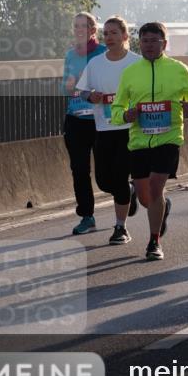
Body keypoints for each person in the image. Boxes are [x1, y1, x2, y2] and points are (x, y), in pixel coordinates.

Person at [110, 22, 188, 260]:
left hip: (169, 138)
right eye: (144, 41)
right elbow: (117, 107)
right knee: (145, 197)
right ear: (138, 43)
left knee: (155, 188)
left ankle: (154, 242)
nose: (149, 45)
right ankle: (162, 208)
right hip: (139, 141)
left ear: (164, 44)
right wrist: (125, 115)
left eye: (154, 41)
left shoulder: (179, 69)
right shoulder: (130, 73)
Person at [76, 16, 140, 244]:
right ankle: (129, 194)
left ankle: (121, 227)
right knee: (104, 181)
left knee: (120, 177)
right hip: (103, 128)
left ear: (125, 36)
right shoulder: (95, 64)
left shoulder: (137, 63)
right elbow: (82, 90)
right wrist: (90, 96)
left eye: (114, 33)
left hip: (130, 128)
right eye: (106, 33)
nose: (109, 37)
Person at [62, 12, 106, 235]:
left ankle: (125, 190)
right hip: (76, 120)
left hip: (99, 120)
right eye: (76, 26)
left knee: (105, 174)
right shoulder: (70, 55)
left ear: (92, 30)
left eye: (84, 25)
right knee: (79, 170)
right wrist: (69, 84)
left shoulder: (103, 53)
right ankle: (87, 217)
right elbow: (65, 87)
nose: (79, 29)